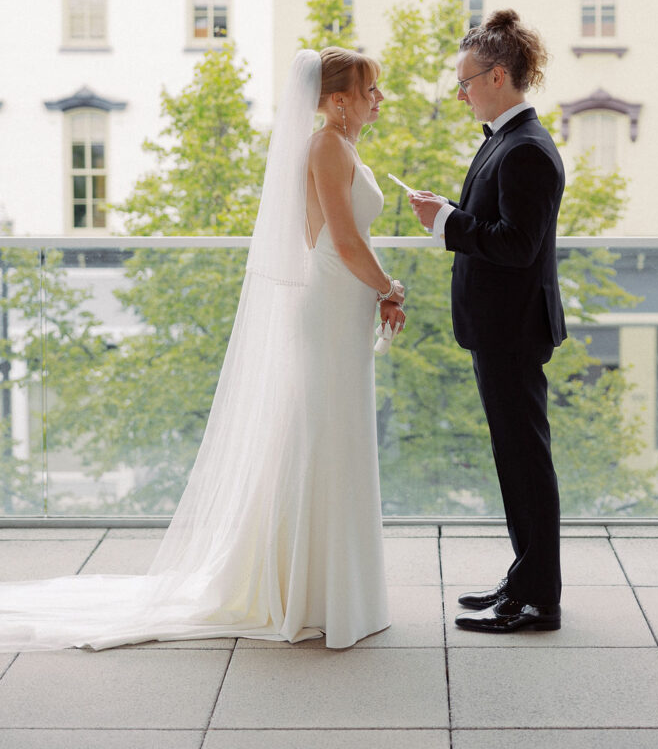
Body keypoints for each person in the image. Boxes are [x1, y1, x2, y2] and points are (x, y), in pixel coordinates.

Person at [0, 47, 405, 652]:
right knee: (324, 435)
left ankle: (330, 588)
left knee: (336, 436)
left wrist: (371, 293)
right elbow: (343, 239)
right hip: (331, 304)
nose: (380, 99)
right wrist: (389, 287)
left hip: (343, 305)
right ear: (339, 99)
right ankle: (312, 592)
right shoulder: (325, 146)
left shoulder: (343, 149)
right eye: (371, 89)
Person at [409, 9, 566, 634]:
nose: (460, 91)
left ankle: (538, 600)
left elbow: (515, 245)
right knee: (516, 459)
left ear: (498, 76)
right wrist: (450, 210)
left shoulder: (525, 148)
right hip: (498, 327)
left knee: (526, 461)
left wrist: (446, 224)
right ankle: (524, 579)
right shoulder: (504, 139)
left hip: (511, 331)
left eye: (466, 80)